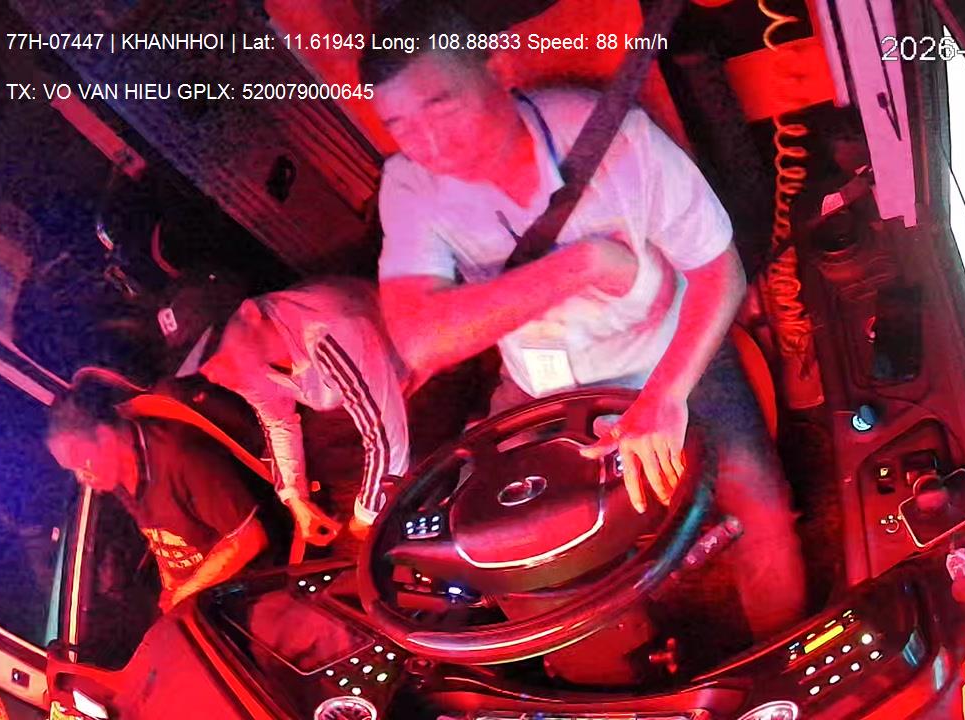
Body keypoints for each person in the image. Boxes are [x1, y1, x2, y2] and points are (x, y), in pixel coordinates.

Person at [361, 4, 807, 638]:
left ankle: (777, 659)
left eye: (441, 106)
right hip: (538, 381)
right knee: (501, 548)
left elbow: (720, 271)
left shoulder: (615, 138)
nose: (428, 145)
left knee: (762, 511)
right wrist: (583, 265)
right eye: (399, 125)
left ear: (498, 70)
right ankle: (621, 676)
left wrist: (664, 397)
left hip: (666, 351)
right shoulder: (409, 182)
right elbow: (419, 337)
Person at [200, 277, 410, 548]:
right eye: (201, 368)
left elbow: (386, 436)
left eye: (215, 351)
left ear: (250, 314)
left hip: (416, 373)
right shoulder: (243, 364)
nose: (211, 374)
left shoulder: (328, 331)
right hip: (356, 405)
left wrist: (367, 515)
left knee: (385, 534)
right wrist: (295, 497)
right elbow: (278, 423)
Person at [45, 374, 269, 613]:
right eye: (73, 470)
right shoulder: (117, 478)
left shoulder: (180, 458)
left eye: (81, 462)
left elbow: (249, 537)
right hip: (202, 600)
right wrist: (172, 586)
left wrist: (184, 593)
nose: (82, 478)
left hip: (252, 593)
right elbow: (158, 534)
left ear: (106, 437)